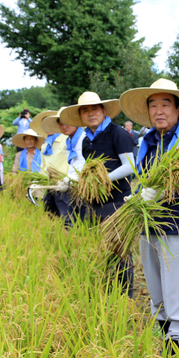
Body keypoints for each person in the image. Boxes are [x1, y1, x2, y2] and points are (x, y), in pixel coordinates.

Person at [120, 78, 179, 354]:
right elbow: (144, 179)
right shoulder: (148, 142)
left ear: (178, 108)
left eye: (165, 104)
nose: (159, 111)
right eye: (153, 105)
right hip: (149, 229)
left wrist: (161, 190)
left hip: (178, 228)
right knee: (157, 300)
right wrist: (138, 196)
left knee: (177, 302)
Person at [60, 92, 135, 297]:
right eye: (85, 110)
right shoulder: (86, 141)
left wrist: (105, 179)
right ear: (81, 116)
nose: (91, 113)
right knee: (101, 250)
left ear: (103, 111)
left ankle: (124, 299)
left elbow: (131, 166)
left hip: (117, 202)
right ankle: (107, 294)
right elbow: (89, 170)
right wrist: (75, 180)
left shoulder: (117, 133)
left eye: (94, 109)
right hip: (94, 204)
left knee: (120, 251)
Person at [39, 107, 86, 224]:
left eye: (67, 123)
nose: (64, 126)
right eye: (61, 124)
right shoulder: (68, 141)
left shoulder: (83, 138)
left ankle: (71, 238)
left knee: (69, 217)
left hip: (72, 184)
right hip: (59, 183)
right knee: (51, 210)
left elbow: (84, 162)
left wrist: (72, 178)